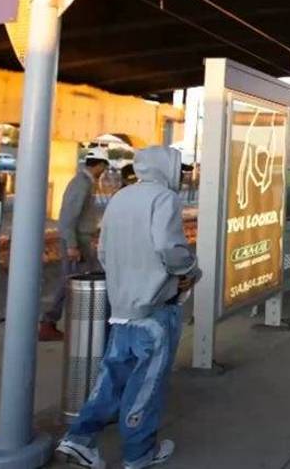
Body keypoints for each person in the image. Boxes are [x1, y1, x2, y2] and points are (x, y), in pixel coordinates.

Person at [55, 146, 200, 469]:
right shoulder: (164, 198)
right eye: (180, 167)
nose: (183, 174)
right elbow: (169, 247)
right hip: (154, 309)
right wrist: (188, 270)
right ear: (166, 167)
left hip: (121, 308)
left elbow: (104, 252)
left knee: (111, 377)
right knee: (147, 384)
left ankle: (79, 439)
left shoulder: (121, 198)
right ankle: (139, 453)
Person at [39, 147, 110, 342]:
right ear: (100, 165)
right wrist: (72, 245)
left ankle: (59, 322)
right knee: (70, 281)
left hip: (81, 240)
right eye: (104, 166)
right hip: (78, 241)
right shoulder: (81, 184)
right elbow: (68, 217)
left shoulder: (85, 183)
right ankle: (49, 321)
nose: (104, 171)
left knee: (74, 281)